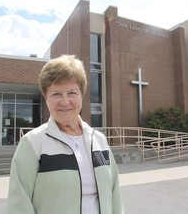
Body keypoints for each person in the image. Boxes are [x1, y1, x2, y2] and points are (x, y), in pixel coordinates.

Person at [7, 54, 124, 214]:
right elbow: (19, 205)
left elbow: (114, 194)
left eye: (72, 93)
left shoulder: (99, 140)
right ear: (46, 98)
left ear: (82, 95)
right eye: (56, 94)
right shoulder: (32, 143)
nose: (65, 101)